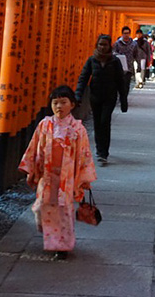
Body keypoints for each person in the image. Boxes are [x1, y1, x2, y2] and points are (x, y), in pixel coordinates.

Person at [19, 85, 97, 261]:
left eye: (63, 102)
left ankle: (61, 246)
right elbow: (34, 147)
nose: (59, 107)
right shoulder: (45, 124)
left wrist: (82, 179)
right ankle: (52, 236)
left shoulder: (78, 129)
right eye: (55, 103)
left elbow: (84, 155)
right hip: (47, 174)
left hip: (67, 176)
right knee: (41, 207)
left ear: (72, 105)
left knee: (63, 210)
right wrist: (33, 169)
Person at [75, 34, 126, 164]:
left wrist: (123, 99)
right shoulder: (92, 60)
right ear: (97, 45)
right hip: (95, 96)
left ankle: (104, 152)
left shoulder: (115, 61)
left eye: (105, 45)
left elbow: (120, 81)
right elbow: (83, 78)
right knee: (98, 123)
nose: (102, 47)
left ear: (110, 46)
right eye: (100, 44)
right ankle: (99, 150)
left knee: (105, 121)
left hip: (110, 97)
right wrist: (78, 95)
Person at [113, 26, 137, 105]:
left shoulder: (133, 44)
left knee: (126, 85)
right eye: (124, 33)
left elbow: (136, 54)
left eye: (127, 33)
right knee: (117, 84)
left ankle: (123, 99)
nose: (126, 35)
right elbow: (113, 53)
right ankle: (118, 97)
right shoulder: (117, 43)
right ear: (122, 34)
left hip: (129, 68)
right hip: (118, 68)